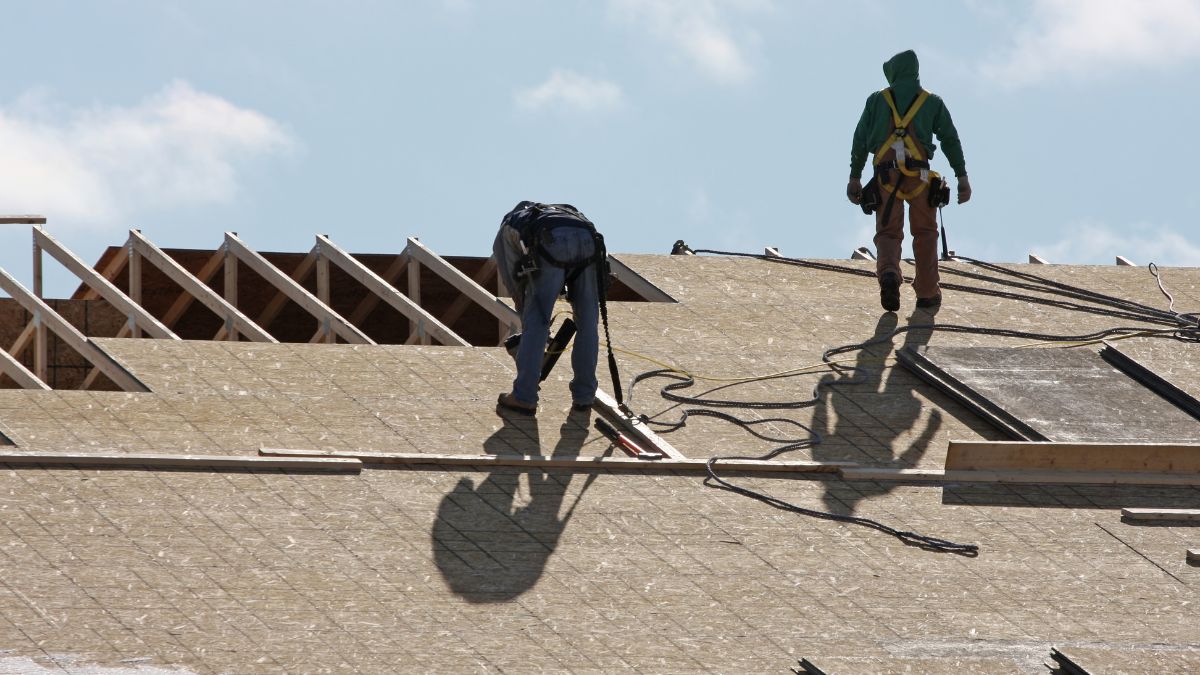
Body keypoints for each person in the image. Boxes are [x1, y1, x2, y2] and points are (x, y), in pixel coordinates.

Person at [847, 49, 971, 311]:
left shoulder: (876, 101)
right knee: (925, 233)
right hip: (920, 177)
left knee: (888, 233)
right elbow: (950, 139)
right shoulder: (932, 102)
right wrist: (962, 177)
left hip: (885, 176)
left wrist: (854, 177)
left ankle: (889, 273)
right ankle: (926, 292)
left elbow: (859, 140)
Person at [493, 201, 602, 417]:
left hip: (550, 240)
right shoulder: (567, 213)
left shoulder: (507, 229)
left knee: (537, 321)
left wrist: (529, 321)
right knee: (588, 322)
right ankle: (584, 396)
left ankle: (524, 397)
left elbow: (515, 283)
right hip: (589, 239)